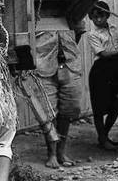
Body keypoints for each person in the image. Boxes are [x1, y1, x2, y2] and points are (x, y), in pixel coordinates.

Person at [33, 18, 84, 168]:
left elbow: (79, 30)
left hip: (69, 65)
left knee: (70, 108)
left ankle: (61, 151)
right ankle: (52, 154)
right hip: (43, 65)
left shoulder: (71, 5)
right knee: (48, 112)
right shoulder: (35, 6)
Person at [87, 1, 118, 151]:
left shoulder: (112, 28)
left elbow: (114, 47)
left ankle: (104, 136)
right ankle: (103, 138)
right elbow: (104, 53)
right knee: (99, 106)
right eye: (94, 17)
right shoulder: (92, 34)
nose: (98, 20)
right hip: (101, 69)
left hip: (116, 67)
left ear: (107, 15)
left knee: (117, 103)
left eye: (101, 16)